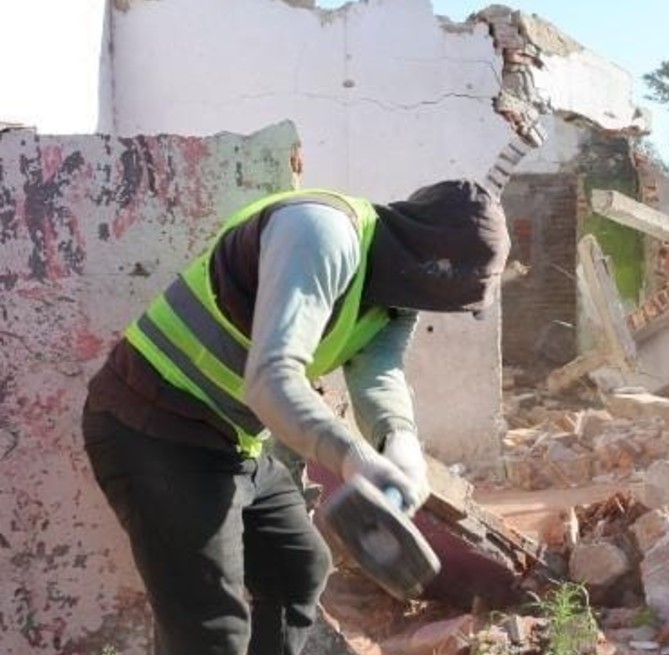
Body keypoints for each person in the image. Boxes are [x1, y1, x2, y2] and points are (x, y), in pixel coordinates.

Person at [81, 179, 510, 655]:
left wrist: (399, 440)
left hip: (231, 439)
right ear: (430, 263)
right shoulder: (319, 233)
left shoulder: (396, 294)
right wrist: (354, 458)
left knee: (297, 570)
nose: (440, 308)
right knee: (209, 630)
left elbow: (379, 370)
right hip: (153, 426)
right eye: (448, 294)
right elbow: (271, 380)